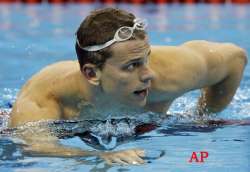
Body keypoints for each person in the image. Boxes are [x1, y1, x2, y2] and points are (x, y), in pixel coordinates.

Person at [8, 8, 247, 165]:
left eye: (146, 58)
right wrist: (100, 157)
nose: (149, 74)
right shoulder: (46, 98)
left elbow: (235, 59)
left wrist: (205, 116)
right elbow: (35, 146)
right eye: (132, 66)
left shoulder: (172, 73)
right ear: (92, 74)